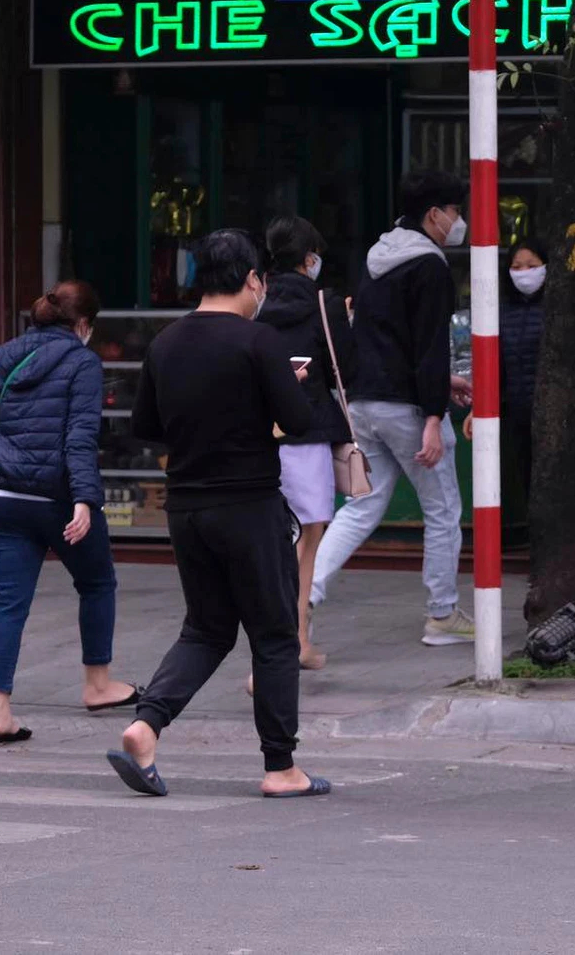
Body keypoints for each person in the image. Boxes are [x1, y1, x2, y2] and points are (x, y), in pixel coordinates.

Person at [110, 229, 327, 799]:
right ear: (253, 279)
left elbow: (146, 427)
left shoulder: (166, 343)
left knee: (206, 628)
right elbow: (299, 421)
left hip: (186, 509)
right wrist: (287, 385)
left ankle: (145, 724)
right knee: (276, 635)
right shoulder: (259, 342)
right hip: (249, 505)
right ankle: (281, 767)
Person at [309, 171, 473, 646]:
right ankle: (442, 614)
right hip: (407, 408)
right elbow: (426, 347)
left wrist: (442, 384)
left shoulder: (377, 259)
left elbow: (385, 342)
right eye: (456, 212)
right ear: (434, 215)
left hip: (363, 402)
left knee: (360, 508)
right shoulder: (431, 267)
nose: (459, 221)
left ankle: (304, 595)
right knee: (443, 509)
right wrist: (434, 415)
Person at [0, 281, 138, 747]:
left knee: (9, 602)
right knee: (96, 583)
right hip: (60, 499)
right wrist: (86, 501)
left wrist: (3, 476)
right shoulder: (83, 362)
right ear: (83, 325)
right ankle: (97, 684)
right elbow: (80, 437)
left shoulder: (6, 354)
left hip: (6, 497)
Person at [257, 215, 358, 670]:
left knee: (274, 538)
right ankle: (293, 640)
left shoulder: (254, 301)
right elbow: (347, 368)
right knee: (308, 537)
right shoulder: (324, 303)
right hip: (308, 430)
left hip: (258, 433)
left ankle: (286, 641)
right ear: (310, 258)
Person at [464, 243, 544, 537]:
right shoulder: (500, 311)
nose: (524, 273)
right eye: (517, 266)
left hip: (549, 410)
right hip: (516, 409)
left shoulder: (558, 311)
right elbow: (493, 365)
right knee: (523, 474)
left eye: (532, 265)